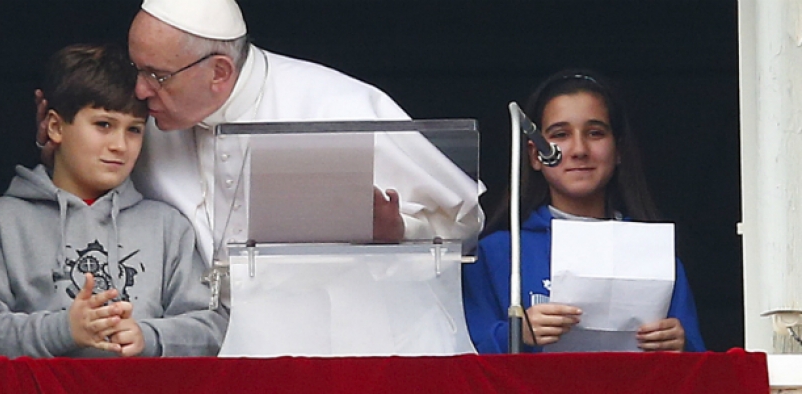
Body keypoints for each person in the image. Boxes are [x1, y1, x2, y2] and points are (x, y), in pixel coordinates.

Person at [37, 0, 484, 269]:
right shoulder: (145, 121)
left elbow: (466, 221)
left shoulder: (334, 105)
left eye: (156, 75)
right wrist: (57, 153)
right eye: (137, 69)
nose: (138, 89)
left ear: (219, 72)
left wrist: (401, 230)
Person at [0, 43, 228, 360]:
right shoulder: (0, 221)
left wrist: (148, 337)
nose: (120, 145)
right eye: (103, 125)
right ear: (56, 127)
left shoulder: (168, 226)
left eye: (135, 130)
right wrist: (63, 330)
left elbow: (210, 329)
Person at [462, 69, 705, 353]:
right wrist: (515, 335)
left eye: (595, 133)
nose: (579, 149)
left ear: (618, 150)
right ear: (534, 155)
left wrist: (681, 346)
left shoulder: (653, 252)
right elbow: (464, 363)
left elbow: (699, 370)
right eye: (561, 134)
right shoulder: (497, 253)